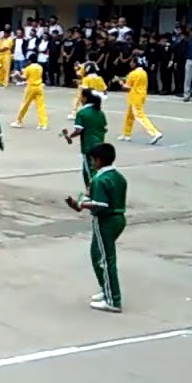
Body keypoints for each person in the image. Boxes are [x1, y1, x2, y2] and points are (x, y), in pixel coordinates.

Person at [64, 143, 126, 313]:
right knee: (97, 255)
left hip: (105, 221)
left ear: (99, 160)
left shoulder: (100, 180)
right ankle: (106, 288)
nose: (91, 163)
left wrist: (82, 204)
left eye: (93, 160)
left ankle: (113, 299)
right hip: (118, 218)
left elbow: (101, 205)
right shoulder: (118, 177)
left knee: (105, 260)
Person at [62, 88, 107, 189]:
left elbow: (78, 130)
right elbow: (104, 128)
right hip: (100, 145)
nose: (80, 99)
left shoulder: (82, 113)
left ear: (85, 98)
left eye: (81, 97)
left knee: (89, 172)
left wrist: (69, 136)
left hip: (88, 146)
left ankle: (93, 192)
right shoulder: (100, 113)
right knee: (95, 170)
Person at [116, 57, 163, 144]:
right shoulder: (143, 72)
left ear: (135, 63)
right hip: (141, 95)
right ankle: (126, 134)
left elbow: (127, 87)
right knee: (129, 115)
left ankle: (154, 132)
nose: (130, 63)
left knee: (139, 115)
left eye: (131, 62)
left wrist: (121, 83)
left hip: (135, 96)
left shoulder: (133, 74)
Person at [12, 58, 47, 130]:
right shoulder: (40, 67)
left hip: (31, 88)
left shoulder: (29, 68)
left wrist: (17, 75)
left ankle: (18, 121)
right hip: (39, 87)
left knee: (25, 104)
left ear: (30, 61)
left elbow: (23, 78)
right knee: (40, 106)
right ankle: (43, 124)